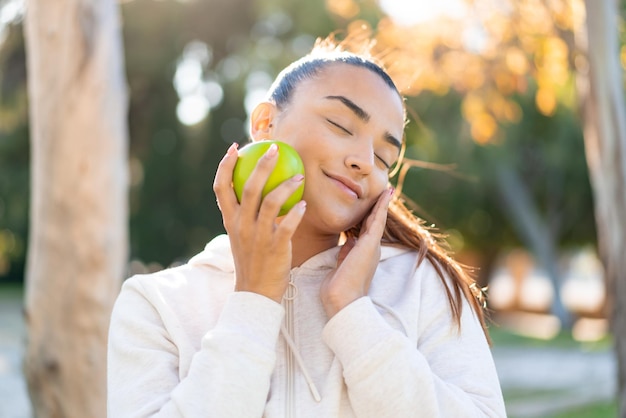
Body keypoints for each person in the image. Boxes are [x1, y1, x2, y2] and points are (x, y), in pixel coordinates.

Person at [107, 36, 507, 417]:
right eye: (341, 124)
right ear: (265, 123)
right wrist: (254, 300)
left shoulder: (420, 284)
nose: (365, 161)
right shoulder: (157, 304)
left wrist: (352, 313)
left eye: (385, 156)